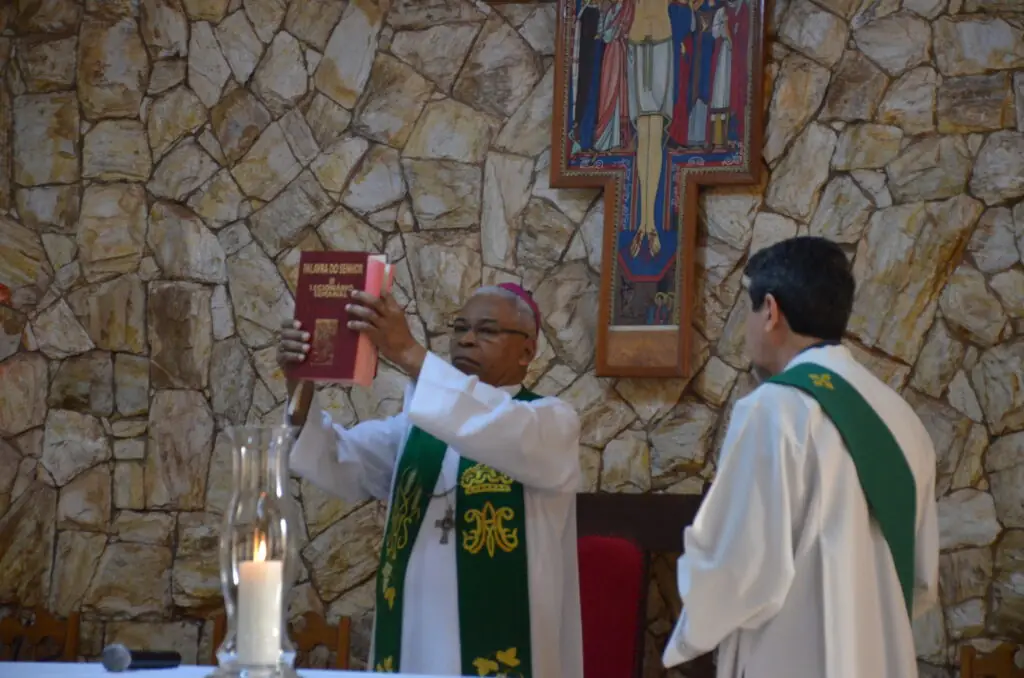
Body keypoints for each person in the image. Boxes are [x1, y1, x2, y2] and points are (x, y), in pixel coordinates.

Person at [662, 237, 940, 678]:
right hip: (882, 658)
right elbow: (922, 579)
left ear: (770, 311)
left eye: (749, 313)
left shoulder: (775, 409)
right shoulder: (899, 417)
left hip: (792, 657)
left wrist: (696, 590)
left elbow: (735, 567)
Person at [278, 283, 584, 678]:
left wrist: (407, 352)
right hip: (414, 645)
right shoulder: (415, 427)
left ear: (528, 350)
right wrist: (300, 383)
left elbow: (499, 428)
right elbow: (338, 459)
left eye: (487, 330)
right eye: (460, 328)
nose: (467, 340)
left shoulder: (550, 422)